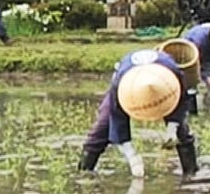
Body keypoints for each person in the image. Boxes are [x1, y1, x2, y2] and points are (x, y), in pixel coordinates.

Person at [78, 48, 198, 178]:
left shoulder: (172, 74)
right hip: (126, 86)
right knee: (103, 127)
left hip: (165, 90)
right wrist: (131, 155)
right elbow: (117, 119)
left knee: (182, 131)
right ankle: (85, 172)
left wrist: (172, 128)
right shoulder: (120, 84)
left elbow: (181, 100)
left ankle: (190, 172)